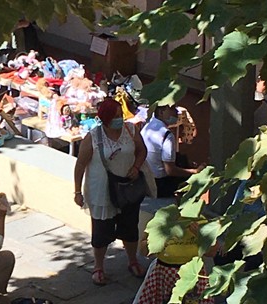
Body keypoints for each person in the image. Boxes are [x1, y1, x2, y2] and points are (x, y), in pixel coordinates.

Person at [73, 97, 148, 285]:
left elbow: (141, 151)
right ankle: (98, 267)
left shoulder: (131, 131)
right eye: (115, 116)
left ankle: (132, 260)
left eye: (120, 115)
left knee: (130, 226)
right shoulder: (93, 137)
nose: (119, 119)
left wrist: (136, 167)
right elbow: (80, 164)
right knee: (101, 231)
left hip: (128, 188)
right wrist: (77, 192)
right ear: (105, 118)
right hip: (101, 191)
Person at [134, 220, 217, 304]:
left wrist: (201, 236)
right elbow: (143, 251)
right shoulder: (162, 219)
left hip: (193, 273)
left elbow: (212, 252)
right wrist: (158, 237)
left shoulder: (201, 222)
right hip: (163, 273)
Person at [141, 104, 205, 198]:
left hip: (145, 180)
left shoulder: (147, 126)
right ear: (161, 112)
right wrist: (194, 171)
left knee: (181, 158)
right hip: (159, 185)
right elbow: (170, 171)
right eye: (172, 109)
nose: (176, 112)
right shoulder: (167, 135)